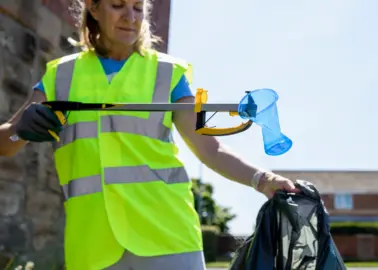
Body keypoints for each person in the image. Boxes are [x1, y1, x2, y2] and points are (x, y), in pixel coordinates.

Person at [0, 0, 298, 269]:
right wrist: (18, 130)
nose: (130, 17)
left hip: (167, 235)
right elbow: (7, 144)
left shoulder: (168, 73)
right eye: (117, 5)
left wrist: (263, 180)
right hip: (93, 245)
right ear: (93, 8)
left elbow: (209, 149)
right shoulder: (60, 75)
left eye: (138, 8)